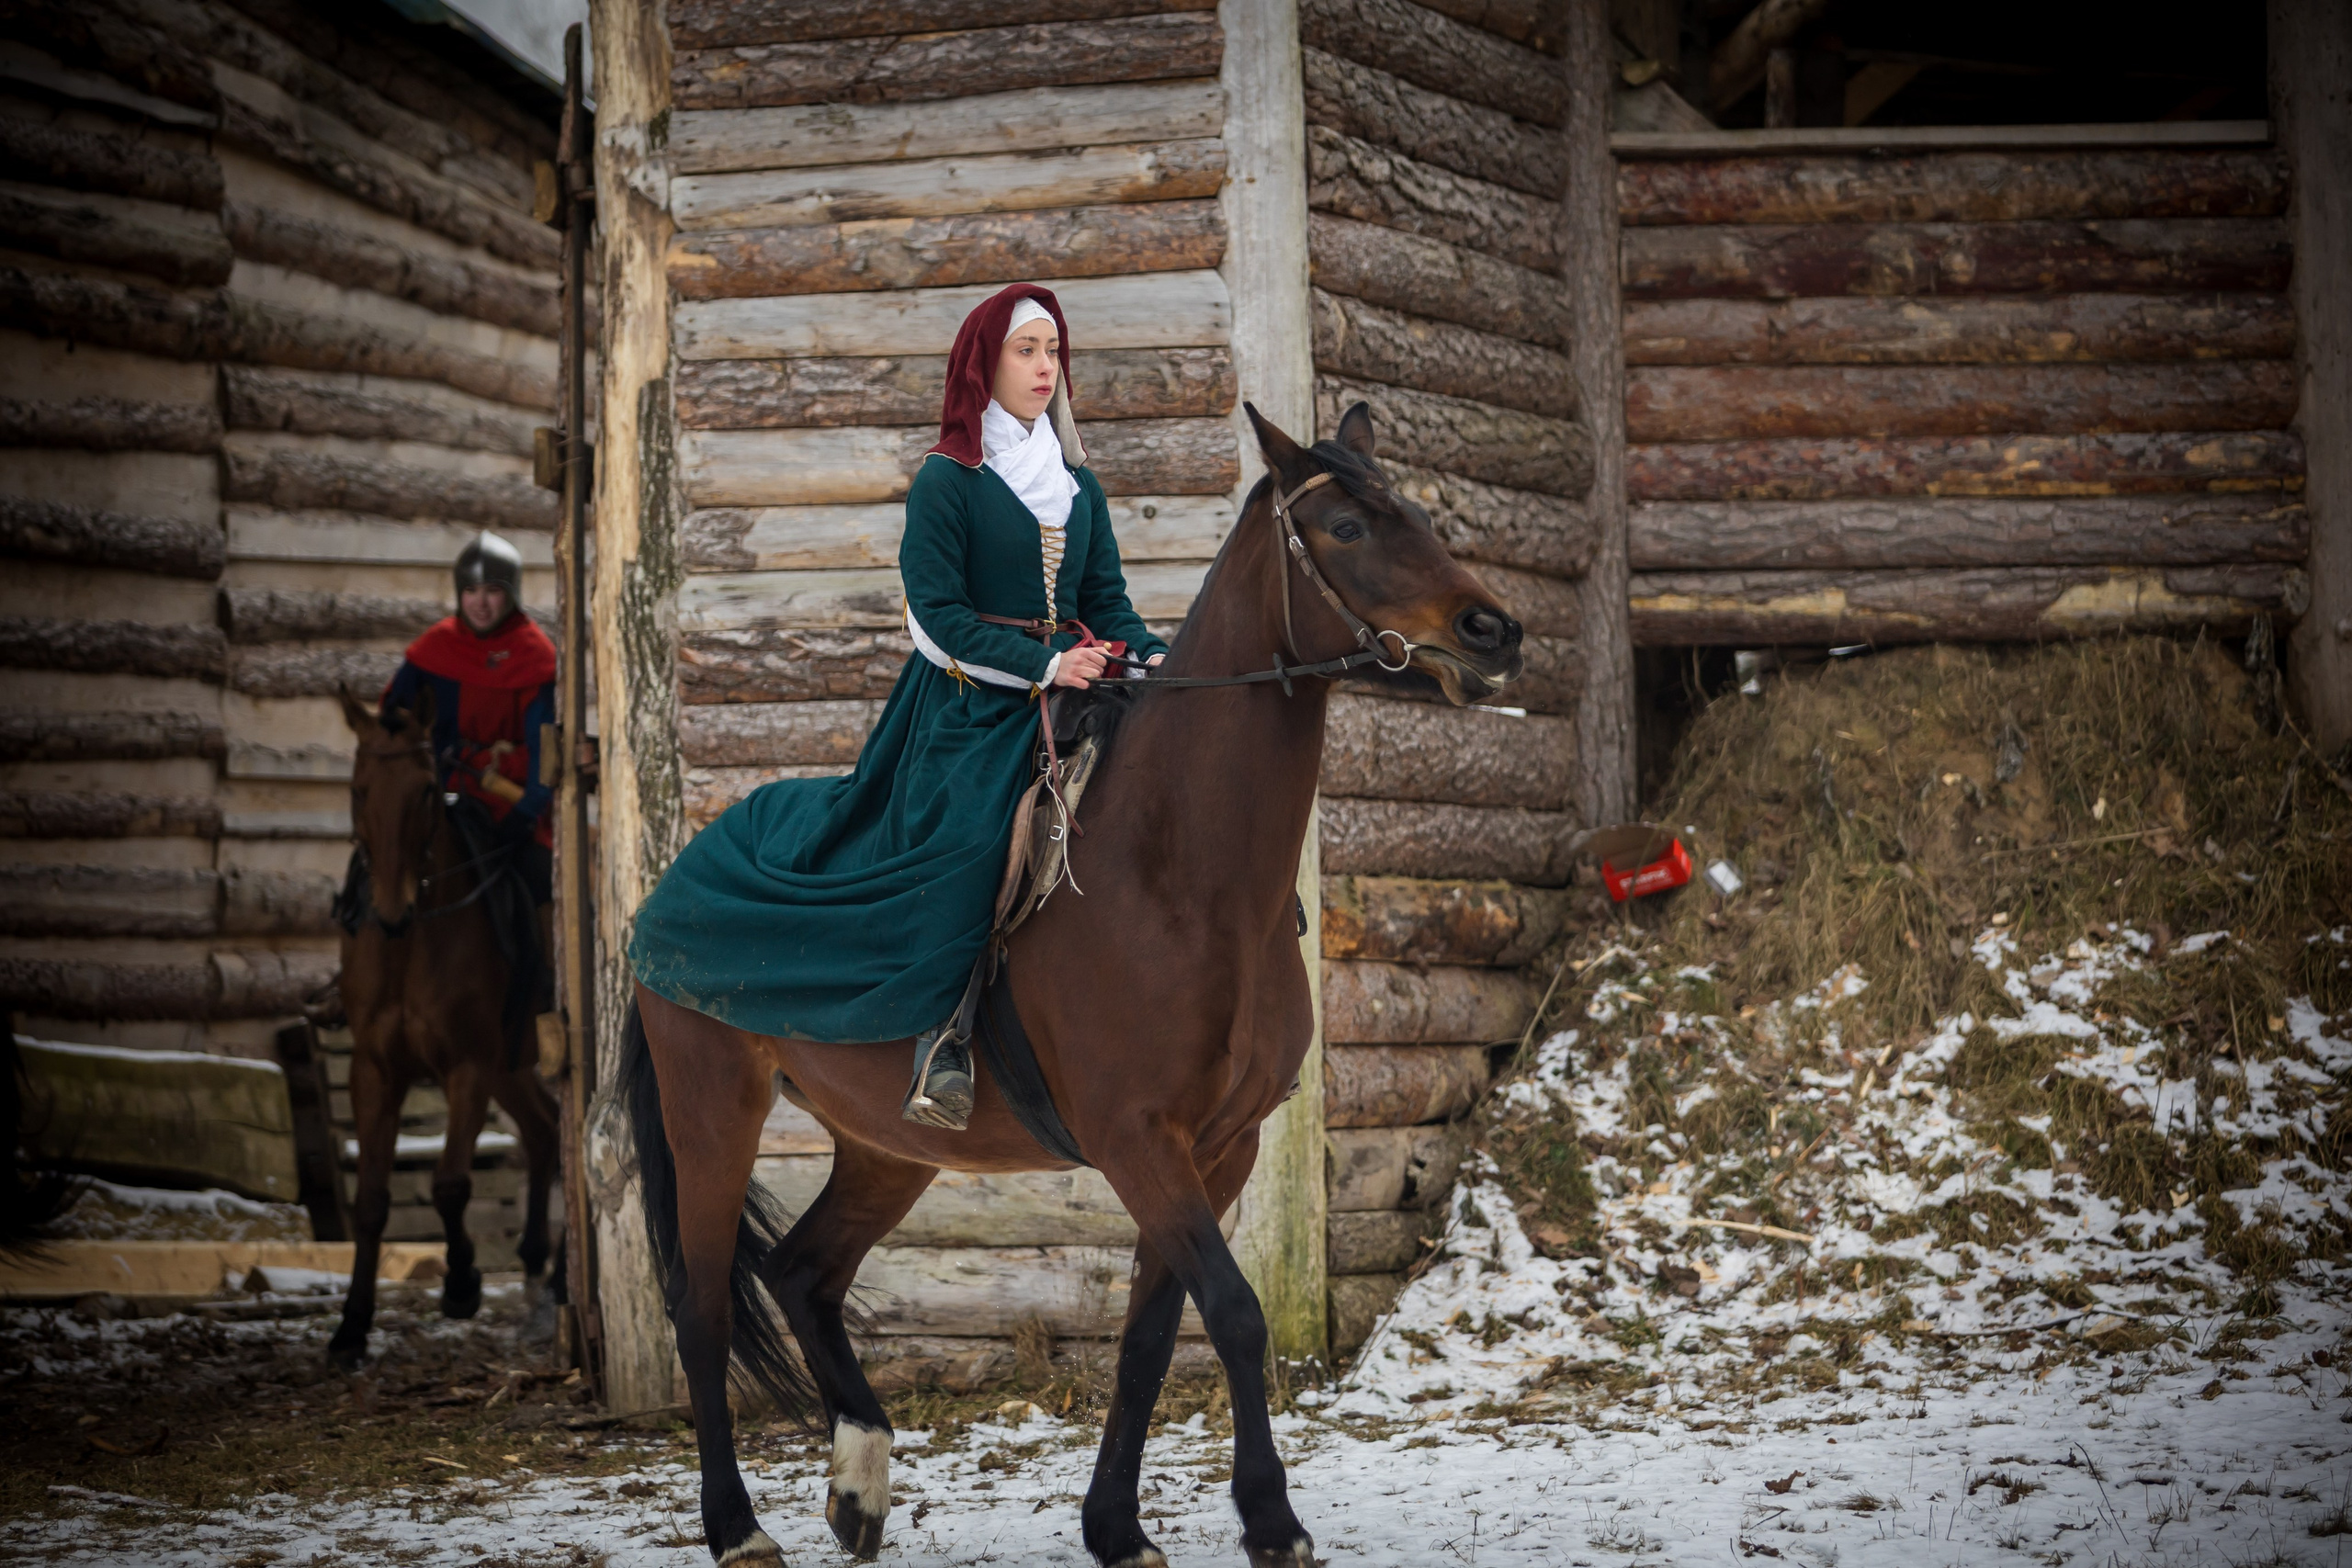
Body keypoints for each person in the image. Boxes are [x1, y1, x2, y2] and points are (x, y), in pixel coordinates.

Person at [628, 282, 1168, 1130]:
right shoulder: (946, 481)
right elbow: (936, 622)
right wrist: (1042, 663)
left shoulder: (1077, 486)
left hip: (1072, 690)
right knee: (972, 841)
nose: (1042, 367)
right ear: (984, 364)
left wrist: (1153, 654)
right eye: (1025, 351)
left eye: (1053, 351)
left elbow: (1111, 601)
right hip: (965, 711)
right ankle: (942, 1038)